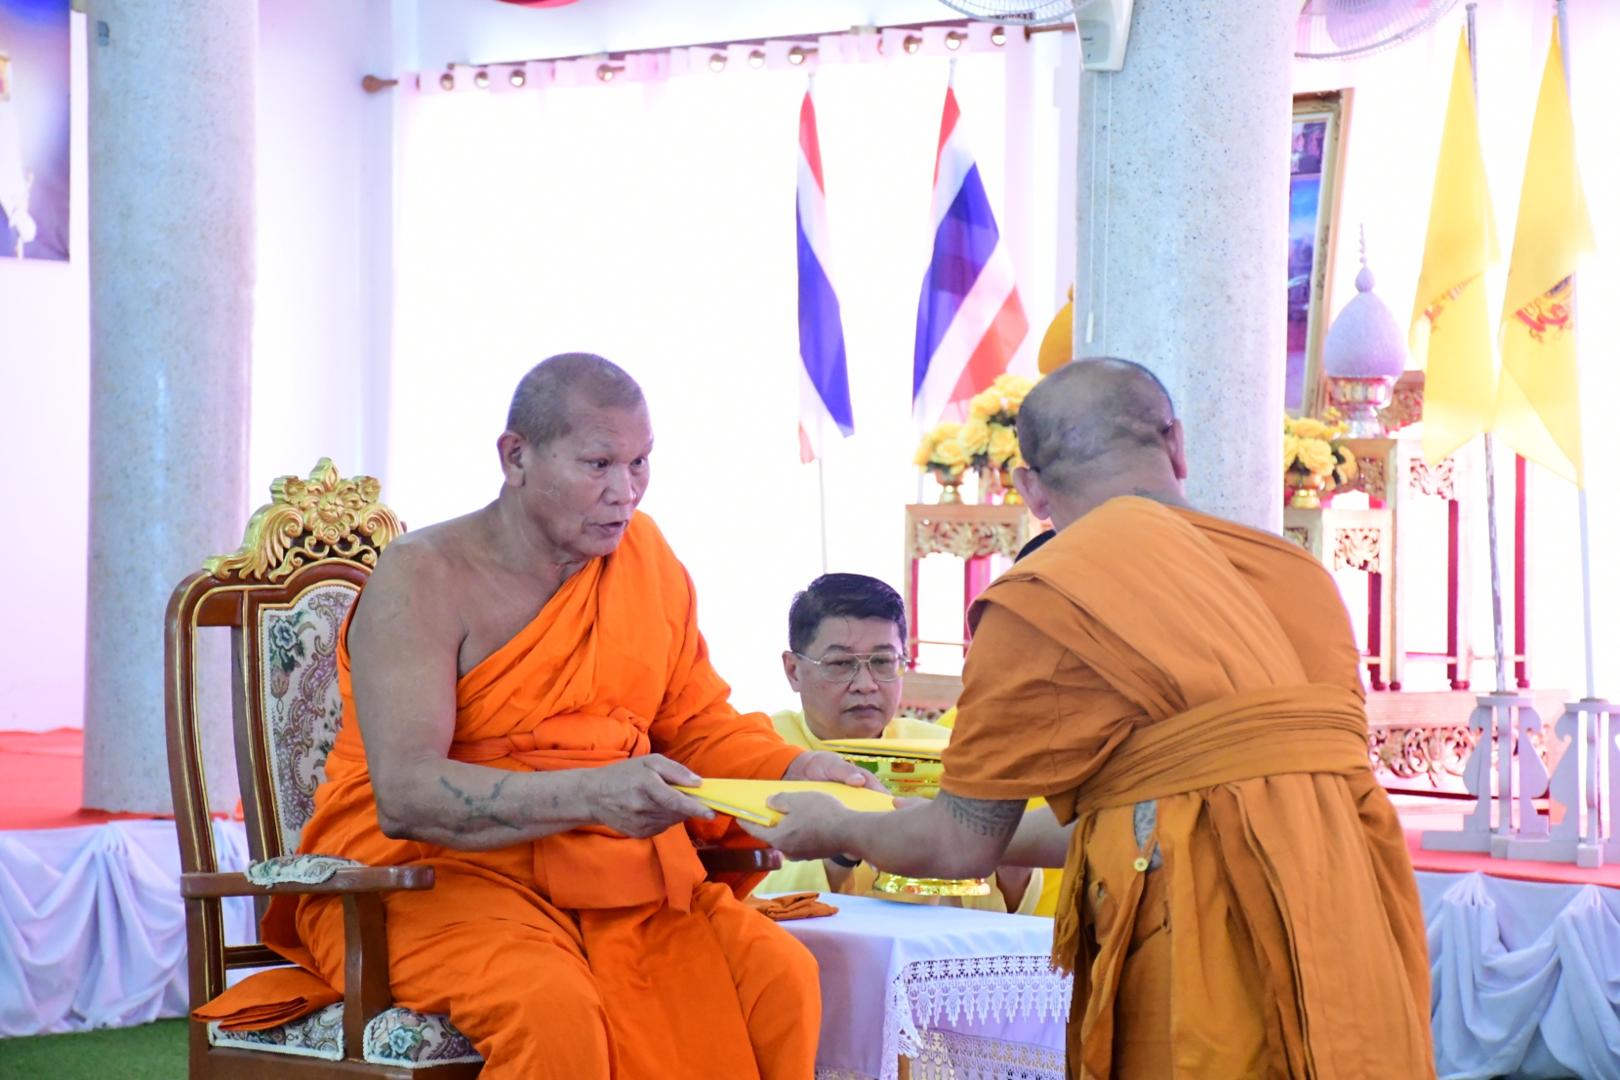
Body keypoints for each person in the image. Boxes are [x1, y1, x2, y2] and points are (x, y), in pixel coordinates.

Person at [196, 353, 882, 1080]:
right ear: (515, 457)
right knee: (550, 1011)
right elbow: (408, 794)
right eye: (599, 464)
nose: (625, 491)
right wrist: (592, 795)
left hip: (615, 879)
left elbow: (699, 726)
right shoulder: (424, 577)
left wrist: (799, 769)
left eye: (640, 463)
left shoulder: (647, 562)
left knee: (779, 978)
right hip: (428, 883)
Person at [744, 358, 1435, 1077]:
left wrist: (838, 826)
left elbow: (961, 844)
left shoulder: (1043, 600)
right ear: (1177, 445)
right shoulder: (1299, 574)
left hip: (1206, 929)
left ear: (1030, 489)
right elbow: (1169, 795)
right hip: (1351, 908)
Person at [757, 572, 1041, 913]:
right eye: (841, 664)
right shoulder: (758, 753)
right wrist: (843, 844)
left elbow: (1008, 909)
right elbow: (741, 888)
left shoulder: (946, 753)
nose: (865, 684)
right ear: (793, 670)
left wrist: (1008, 859)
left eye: (882, 662)